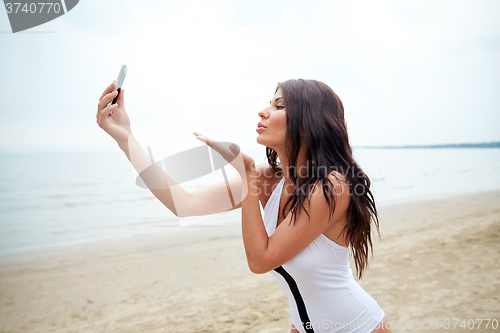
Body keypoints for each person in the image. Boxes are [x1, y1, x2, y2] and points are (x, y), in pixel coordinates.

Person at [96, 78, 392, 333]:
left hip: (358, 326)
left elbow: (261, 260)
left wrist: (247, 175)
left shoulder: (333, 186)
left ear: (308, 123)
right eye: (269, 103)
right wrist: (125, 138)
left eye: (279, 106)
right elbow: (183, 203)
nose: (263, 111)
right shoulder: (268, 179)